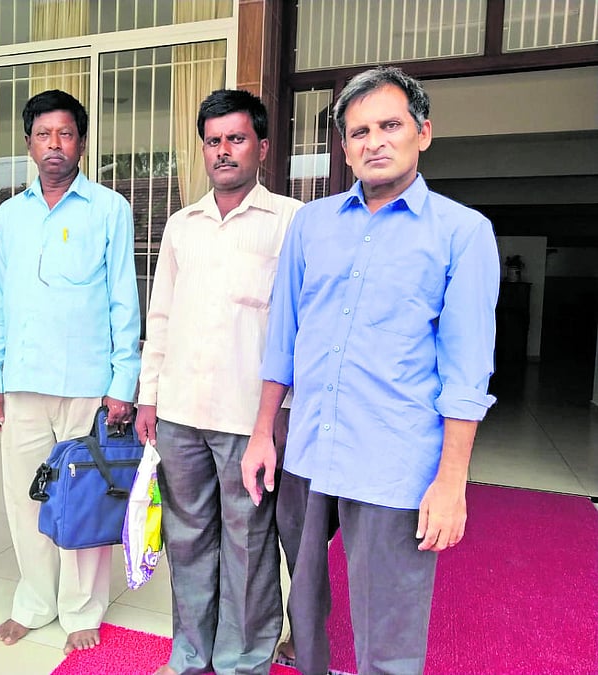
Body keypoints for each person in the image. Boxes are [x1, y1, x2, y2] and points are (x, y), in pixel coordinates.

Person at [241, 66, 501, 675]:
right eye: (359, 132)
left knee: (390, 629)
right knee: (305, 608)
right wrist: (261, 434)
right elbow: (284, 339)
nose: (374, 142)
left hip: (393, 460)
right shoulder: (312, 224)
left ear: (423, 133)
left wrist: (451, 482)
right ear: (344, 147)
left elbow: (467, 373)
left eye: (390, 126)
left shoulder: (463, 233)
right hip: (309, 450)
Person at [135, 89, 303, 675]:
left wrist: (280, 415)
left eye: (236, 138)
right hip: (180, 412)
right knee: (185, 538)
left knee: (248, 542)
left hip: (248, 418)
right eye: (213, 141)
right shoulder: (182, 226)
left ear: (262, 146)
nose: (224, 150)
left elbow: (298, 324)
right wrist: (148, 397)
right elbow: (160, 315)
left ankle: (243, 660)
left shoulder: (291, 222)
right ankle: (190, 653)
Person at [0, 89, 141, 656]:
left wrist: (123, 385)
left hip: (86, 384)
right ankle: (34, 601)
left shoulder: (109, 208)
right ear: (28, 143)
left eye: (66, 134)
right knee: (26, 499)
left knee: (84, 495)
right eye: (44, 134)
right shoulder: (11, 214)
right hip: (23, 382)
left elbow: (124, 300)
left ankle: (81, 607)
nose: (55, 144)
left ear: (82, 143)